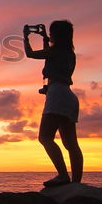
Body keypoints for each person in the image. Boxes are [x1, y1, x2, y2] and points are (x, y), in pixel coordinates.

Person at [23, 20, 83, 186]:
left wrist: (25, 38)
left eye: (51, 32)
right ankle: (76, 183)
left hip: (57, 96)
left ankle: (63, 175)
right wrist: (44, 38)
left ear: (56, 35)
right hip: (68, 97)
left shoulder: (55, 51)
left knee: (45, 137)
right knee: (71, 144)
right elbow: (49, 54)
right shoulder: (69, 53)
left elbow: (30, 54)